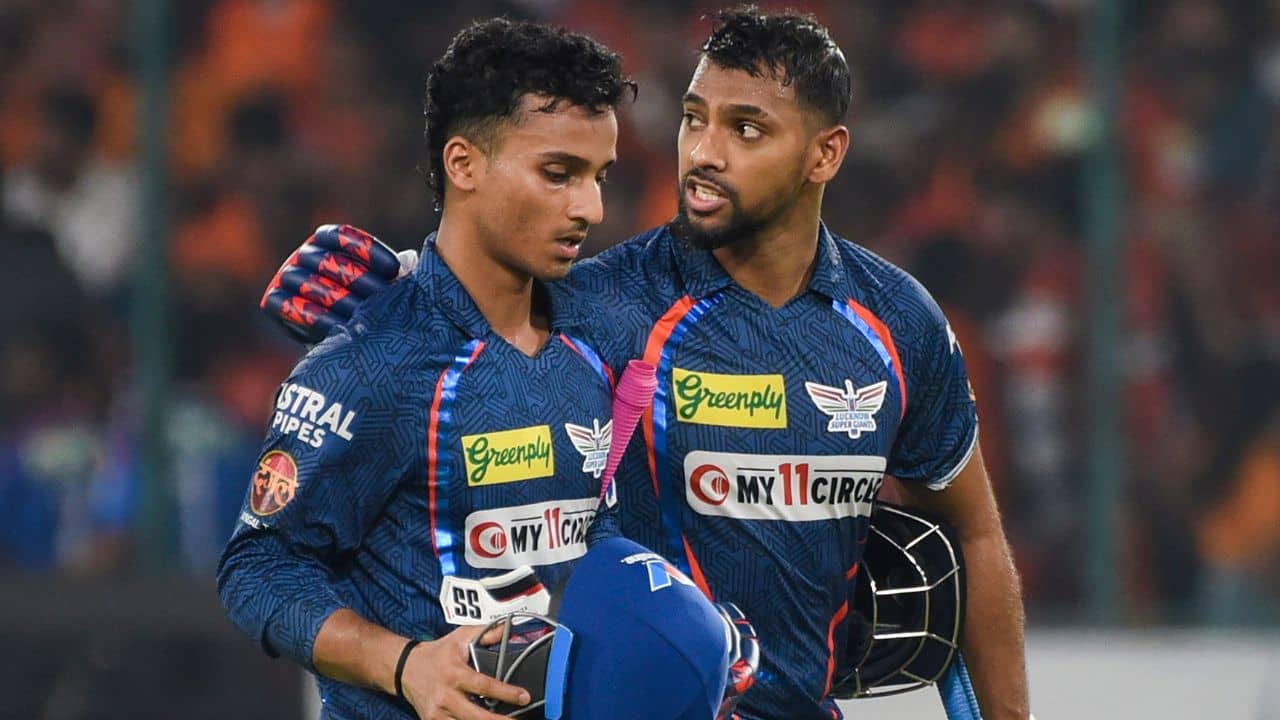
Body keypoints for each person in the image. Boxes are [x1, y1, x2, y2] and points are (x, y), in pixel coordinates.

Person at [259, 7, 1031, 719]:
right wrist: (396, 289)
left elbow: (972, 539)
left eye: (746, 129)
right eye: (694, 119)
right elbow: (466, 308)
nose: (704, 152)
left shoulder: (897, 323)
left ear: (824, 153)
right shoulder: (605, 303)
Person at [217, 19, 635, 720]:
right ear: (463, 164)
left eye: (599, 177)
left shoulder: (598, 337)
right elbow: (257, 569)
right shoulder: (369, 365)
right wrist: (406, 664)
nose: (589, 208)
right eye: (558, 173)